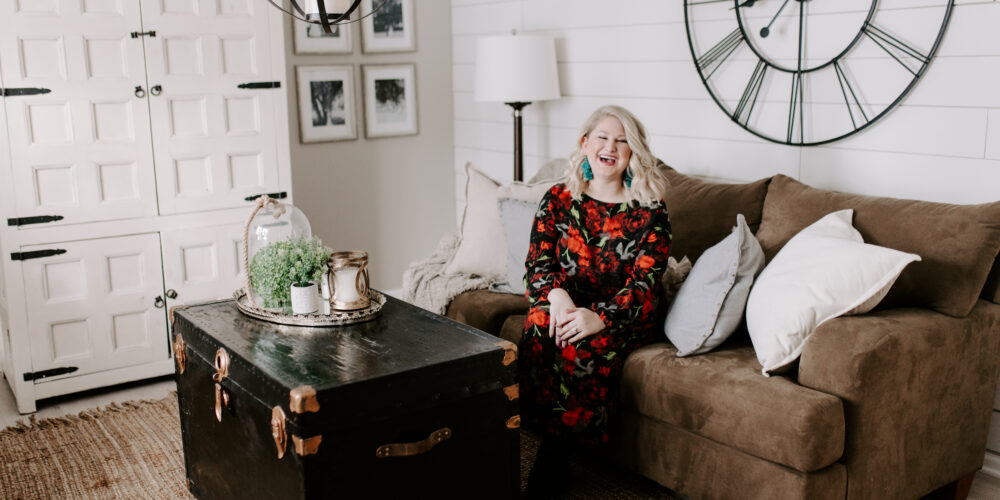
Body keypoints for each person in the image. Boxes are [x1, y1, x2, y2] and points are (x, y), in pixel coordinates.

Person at [519, 105, 671, 498]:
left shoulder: (650, 210)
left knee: (582, 342)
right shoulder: (557, 198)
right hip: (566, 301)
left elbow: (646, 284)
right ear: (585, 144)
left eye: (622, 140)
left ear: (632, 152)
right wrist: (555, 295)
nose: (611, 146)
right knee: (540, 323)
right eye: (602, 137)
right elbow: (538, 262)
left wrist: (600, 317)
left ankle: (555, 459)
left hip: (625, 314)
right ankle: (535, 433)